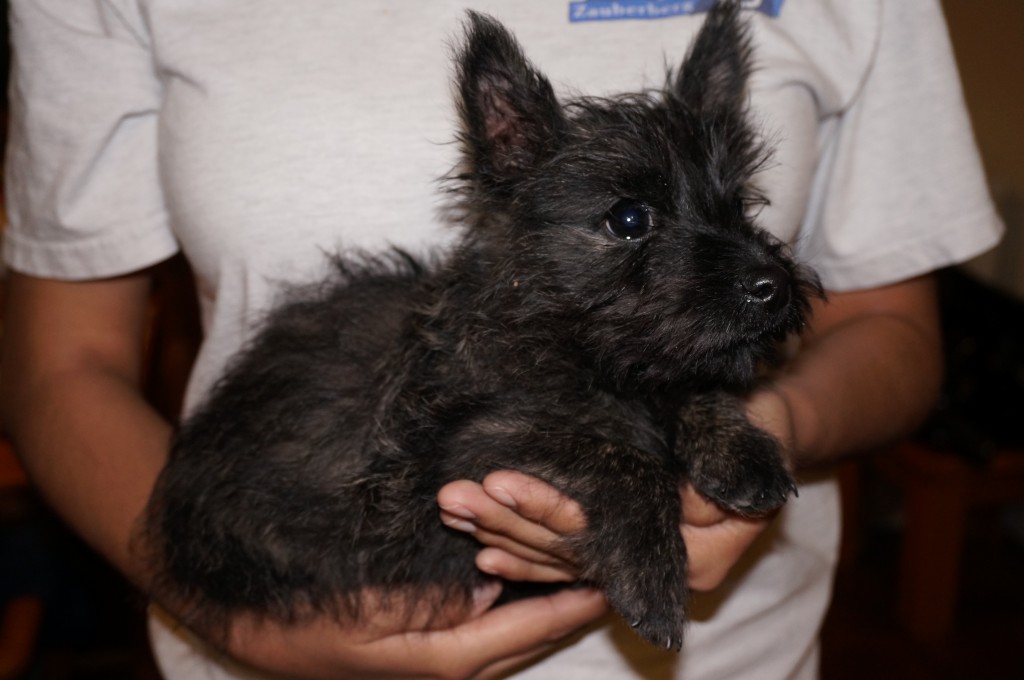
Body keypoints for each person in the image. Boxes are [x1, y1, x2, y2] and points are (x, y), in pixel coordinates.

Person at [0, 0, 1002, 678]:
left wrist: (770, 420)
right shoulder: (481, 345)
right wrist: (248, 624)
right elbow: (60, 364)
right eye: (629, 223)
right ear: (504, 153)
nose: (742, 257)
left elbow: (890, 329)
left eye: (733, 204)